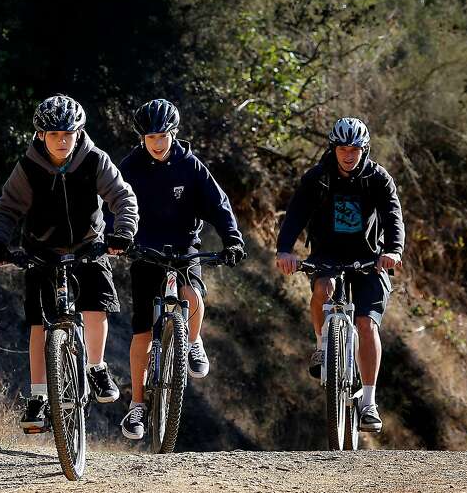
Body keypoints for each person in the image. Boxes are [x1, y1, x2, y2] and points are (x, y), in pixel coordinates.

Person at [0, 94, 139, 433]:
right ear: (41, 135)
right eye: (54, 134)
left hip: (88, 245)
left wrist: (123, 232)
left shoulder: (95, 160)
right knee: (40, 325)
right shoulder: (28, 167)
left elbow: (122, 197)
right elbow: (7, 208)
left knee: (96, 307)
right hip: (40, 250)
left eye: (69, 133)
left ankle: (96, 368)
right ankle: (39, 396)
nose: (62, 140)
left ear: (79, 132)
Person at [116, 99, 246, 440]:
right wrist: (110, 237)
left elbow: (218, 204)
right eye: (150, 137)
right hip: (143, 248)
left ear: (174, 134)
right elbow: (109, 202)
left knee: (192, 295)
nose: (157, 143)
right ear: (141, 138)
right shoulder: (129, 166)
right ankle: (137, 406)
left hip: (184, 245)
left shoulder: (190, 165)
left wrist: (232, 238)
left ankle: (193, 340)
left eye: (163, 136)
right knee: (143, 331)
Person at [275, 117, 404, 433]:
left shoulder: (378, 178)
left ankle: (369, 403)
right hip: (327, 255)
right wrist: (285, 250)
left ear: (364, 149)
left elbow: (392, 216)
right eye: (343, 148)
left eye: (355, 149)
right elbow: (295, 215)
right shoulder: (317, 178)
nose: (349, 155)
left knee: (365, 322)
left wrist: (393, 251)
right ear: (333, 149)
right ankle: (322, 345)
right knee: (324, 288)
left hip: (370, 259)